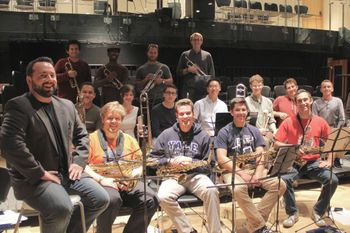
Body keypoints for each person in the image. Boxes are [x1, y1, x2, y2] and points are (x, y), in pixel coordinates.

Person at [0, 57, 109, 233]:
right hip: (34, 179)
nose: (50, 79)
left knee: (101, 198)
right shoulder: (18, 105)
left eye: (52, 75)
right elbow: (10, 145)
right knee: (61, 207)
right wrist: (40, 172)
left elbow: (82, 136)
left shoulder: (66, 105)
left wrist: (78, 162)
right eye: (43, 76)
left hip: (67, 173)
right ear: (30, 80)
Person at [84, 101, 159, 233]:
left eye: (117, 118)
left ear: (121, 120)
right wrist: (101, 180)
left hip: (128, 182)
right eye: (109, 118)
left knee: (151, 199)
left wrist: (132, 177)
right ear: (102, 119)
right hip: (104, 182)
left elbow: (139, 162)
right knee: (112, 200)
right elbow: (83, 165)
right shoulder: (91, 139)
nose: (113, 121)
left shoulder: (129, 139)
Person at [150, 98, 221, 233]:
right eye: (182, 114)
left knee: (212, 190)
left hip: (196, 176)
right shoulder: (166, 135)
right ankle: (187, 230)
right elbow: (153, 160)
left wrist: (190, 162)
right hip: (173, 176)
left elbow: (209, 165)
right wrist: (170, 161)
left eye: (188, 113)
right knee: (163, 197)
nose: (185, 117)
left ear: (193, 114)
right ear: (176, 116)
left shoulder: (203, 136)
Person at [215, 97, 286, 233]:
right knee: (238, 189)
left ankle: (253, 223)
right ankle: (259, 226)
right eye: (237, 110)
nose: (241, 113)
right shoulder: (224, 132)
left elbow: (261, 154)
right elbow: (221, 158)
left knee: (280, 184)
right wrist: (242, 174)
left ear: (247, 111)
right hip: (233, 171)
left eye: (243, 109)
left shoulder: (254, 130)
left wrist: (257, 174)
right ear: (231, 112)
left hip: (254, 170)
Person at [274, 89, 339, 228]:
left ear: (311, 101)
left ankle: (318, 211)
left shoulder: (320, 122)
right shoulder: (288, 121)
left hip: (314, 162)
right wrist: (293, 148)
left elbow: (332, 143)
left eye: (305, 100)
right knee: (284, 180)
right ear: (296, 104)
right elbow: (276, 143)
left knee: (333, 180)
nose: (303, 103)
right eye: (299, 101)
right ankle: (292, 213)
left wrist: (329, 161)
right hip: (295, 162)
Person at [312, 80, 345, 168]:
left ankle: (335, 159)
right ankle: (323, 160)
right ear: (321, 90)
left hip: (334, 127)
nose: (326, 88)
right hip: (321, 130)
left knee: (338, 138)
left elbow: (342, 118)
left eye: (328, 86)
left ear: (332, 89)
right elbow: (315, 119)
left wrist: (337, 130)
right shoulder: (316, 103)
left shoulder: (338, 101)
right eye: (324, 87)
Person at [176, 32, 215, 101]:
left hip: (203, 89)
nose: (196, 41)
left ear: (201, 41)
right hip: (188, 89)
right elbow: (178, 72)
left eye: (198, 40)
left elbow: (212, 74)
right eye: (194, 40)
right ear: (191, 41)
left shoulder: (207, 55)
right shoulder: (185, 54)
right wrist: (188, 70)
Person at [245, 75, 277, 149]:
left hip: (267, 131)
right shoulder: (246, 102)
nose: (257, 88)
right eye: (254, 86)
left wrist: (275, 131)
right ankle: (264, 160)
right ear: (250, 86)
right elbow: (245, 123)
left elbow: (271, 120)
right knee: (264, 141)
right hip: (251, 132)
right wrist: (258, 131)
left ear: (262, 85)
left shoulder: (268, 102)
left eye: (259, 85)